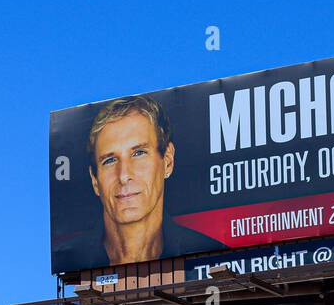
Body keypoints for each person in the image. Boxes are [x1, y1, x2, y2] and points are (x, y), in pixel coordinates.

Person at [59, 95, 223, 271]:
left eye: (139, 153)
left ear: (167, 161)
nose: (123, 176)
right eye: (110, 160)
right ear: (95, 180)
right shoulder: (72, 258)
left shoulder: (213, 257)